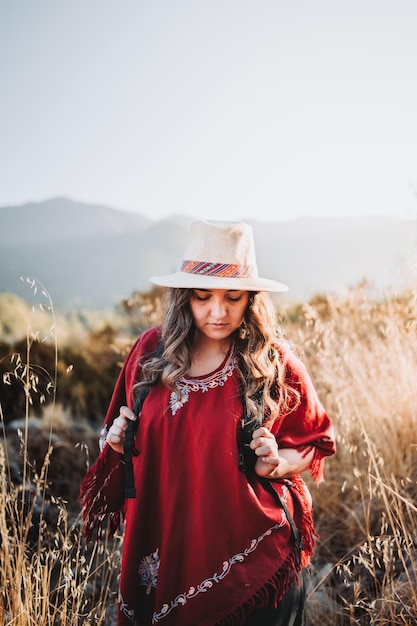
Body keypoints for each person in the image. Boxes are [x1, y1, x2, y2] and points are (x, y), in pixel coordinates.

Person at [80, 220, 336, 626]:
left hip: (253, 562)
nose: (218, 312)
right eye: (203, 297)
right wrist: (112, 441)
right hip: (164, 547)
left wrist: (281, 463)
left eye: (233, 298)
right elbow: (115, 433)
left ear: (251, 298)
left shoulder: (273, 361)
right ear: (185, 297)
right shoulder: (150, 352)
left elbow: (313, 439)